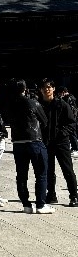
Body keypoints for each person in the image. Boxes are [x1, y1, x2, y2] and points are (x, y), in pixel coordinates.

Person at [6, 79, 53, 214]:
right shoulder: (32, 102)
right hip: (34, 140)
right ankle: (40, 204)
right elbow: (44, 121)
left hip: (18, 142)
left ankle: (26, 204)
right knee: (41, 174)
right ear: (25, 89)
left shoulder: (10, 104)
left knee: (21, 175)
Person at [38, 78, 78, 207]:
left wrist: (61, 133)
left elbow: (72, 123)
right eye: (44, 87)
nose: (47, 89)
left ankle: (74, 196)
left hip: (61, 143)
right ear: (40, 90)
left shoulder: (62, 104)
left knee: (67, 169)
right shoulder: (39, 105)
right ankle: (51, 195)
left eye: (49, 87)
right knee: (48, 170)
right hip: (46, 143)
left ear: (53, 89)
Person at [60, 86, 78, 152]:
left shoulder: (68, 98)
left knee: (72, 132)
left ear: (63, 92)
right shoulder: (71, 97)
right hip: (73, 117)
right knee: (72, 132)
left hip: (71, 117)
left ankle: (75, 147)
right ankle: (75, 146)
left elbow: (71, 109)